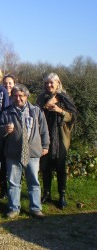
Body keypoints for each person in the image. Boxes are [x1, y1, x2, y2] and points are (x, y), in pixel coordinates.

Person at [0, 84, 50, 219]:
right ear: (12, 97)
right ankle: (13, 208)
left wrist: (45, 145)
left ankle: (35, 209)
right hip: (13, 152)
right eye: (15, 96)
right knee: (13, 183)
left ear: (26, 96)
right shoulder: (7, 112)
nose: (18, 98)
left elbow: (44, 130)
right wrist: (4, 129)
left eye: (21, 96)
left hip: (32, 153)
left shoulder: (36, 111)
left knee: (34, 182)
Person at [36, 73, 77, 209]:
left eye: (51, 83)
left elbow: (72, 117)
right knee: (45, 167)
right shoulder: (42, 98)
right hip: (45, 136)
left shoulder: (64, 98)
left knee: (60, 167)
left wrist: (60, 110)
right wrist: (47, 105)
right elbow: (36, 114)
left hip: (60, 138)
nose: (49, 85)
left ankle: (62, 196)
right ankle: (46, 193)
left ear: (58, 83)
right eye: (47, 83)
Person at [0, 74, 17, 199]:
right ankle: (3, 188)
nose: (8, 85)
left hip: (14, 135)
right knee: (2, 164)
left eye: (10, 83)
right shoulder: (0, 96)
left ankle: (14, 188)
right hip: (1, 133)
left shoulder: (17, 98)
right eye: (5, 83)